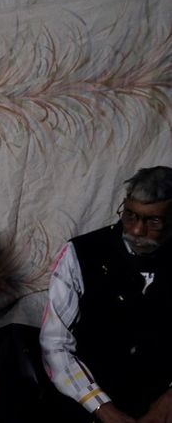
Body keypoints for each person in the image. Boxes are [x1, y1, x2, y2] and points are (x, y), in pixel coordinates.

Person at [40, 166, 172, 422]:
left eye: (153, 221)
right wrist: (103, 408)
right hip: (88, 400)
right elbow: (54, 345)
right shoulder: (79, 253)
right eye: (130, 215)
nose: (135, 230)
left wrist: (168, 400)